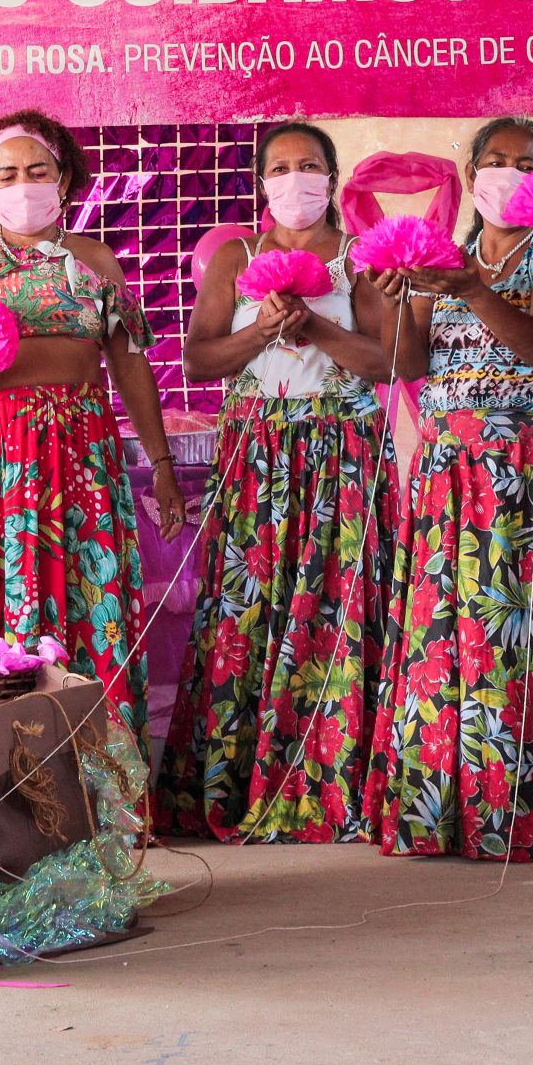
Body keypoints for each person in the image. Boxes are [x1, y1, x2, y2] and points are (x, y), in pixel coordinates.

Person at [162, 121, 397, 842]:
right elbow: (199, 361)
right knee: (246, 611)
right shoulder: (236, 255)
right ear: (261, 181)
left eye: (311, 166)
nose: (297, 180)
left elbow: (388, 361)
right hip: (256, 452)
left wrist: (315, 329)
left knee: (334, 608)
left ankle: (332, 782)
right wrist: (264, 329)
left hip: (342, 451)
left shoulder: (361, 256)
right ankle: (239, 780)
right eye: (281, 167)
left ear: (333, 175)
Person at [363, 116, 533, 862]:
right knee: (455, 635)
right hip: (450, 471)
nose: (508, 172)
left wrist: (474, 291)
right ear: (473, 168)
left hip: (532, 461)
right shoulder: (447, 255)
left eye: (526, 162)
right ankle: (459, 799)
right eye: (495, 159)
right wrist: (398, 297)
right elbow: (405, 363)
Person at [0, 112, 183, 737]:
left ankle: (96, 771)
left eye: (37, 170)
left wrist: (163, 466)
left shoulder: (93, 261)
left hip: (81, 453)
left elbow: (130, 366)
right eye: (5, 174)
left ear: (63, 178)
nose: (22, 184)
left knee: (89, 599)